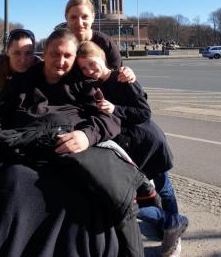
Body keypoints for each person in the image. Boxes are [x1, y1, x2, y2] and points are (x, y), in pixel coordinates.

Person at [0, 29, 144, 257]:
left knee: (95, 195)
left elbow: (109, 118)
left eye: (67, 56)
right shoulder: (23, 80)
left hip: (74, 151)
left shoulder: (84, 82)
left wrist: (86, 136)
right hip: (27, 150)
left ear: (74, 57)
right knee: (11, 188)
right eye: (54, 54)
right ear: (45, 51)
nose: (60, 62)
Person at [76, 41, 188, 257]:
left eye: (92, 64)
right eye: (84, 68)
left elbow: (144, 112)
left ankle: (173, 229)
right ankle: (168, 224)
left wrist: (115, 109)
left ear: (102, 58)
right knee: (143, 191)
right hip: (130, 149)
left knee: (164, 188)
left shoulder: (122, 77)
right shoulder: (93, 84)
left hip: (148, 143)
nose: (89, 71)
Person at [64, 0, 135, 82]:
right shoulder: (62, 45)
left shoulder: (105, 43)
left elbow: (117, 77)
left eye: (85, 16)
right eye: (73, 17)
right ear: (66, 18)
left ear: (93, 17)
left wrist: (126, 73)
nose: (79, 23)